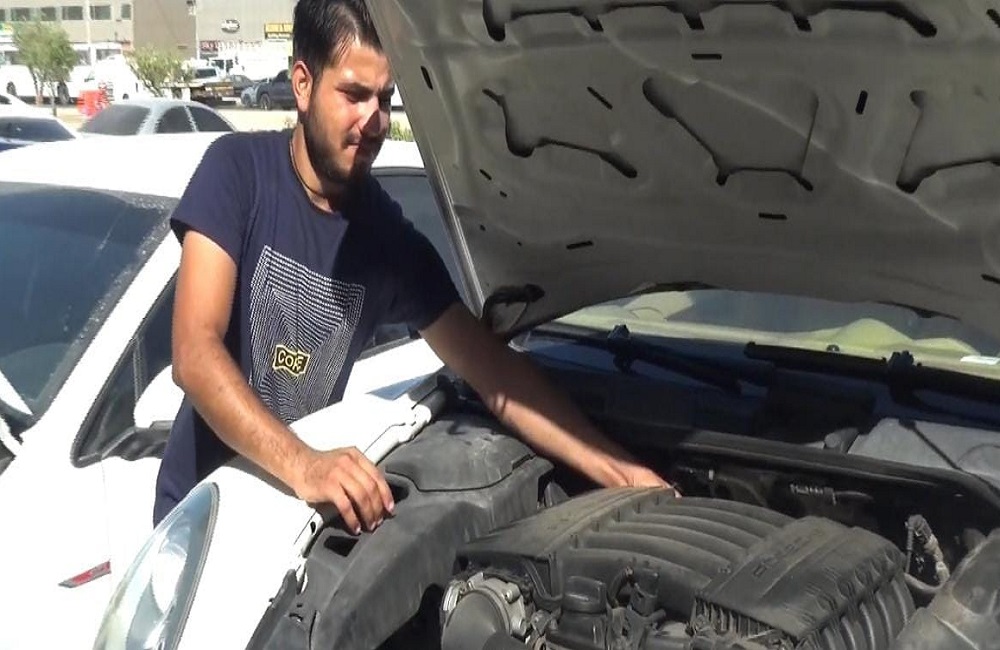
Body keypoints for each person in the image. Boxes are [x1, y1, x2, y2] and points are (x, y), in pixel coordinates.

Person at [152, 0, 672, 532]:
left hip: (285, 528)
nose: (373, 120)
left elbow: (497, 376)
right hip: (196, 524)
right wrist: (305, 464)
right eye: (354, 94)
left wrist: (625, 475)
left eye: (385, 98)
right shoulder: (236, 172)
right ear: (303, 85)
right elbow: (195, 353)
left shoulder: (387, 240)